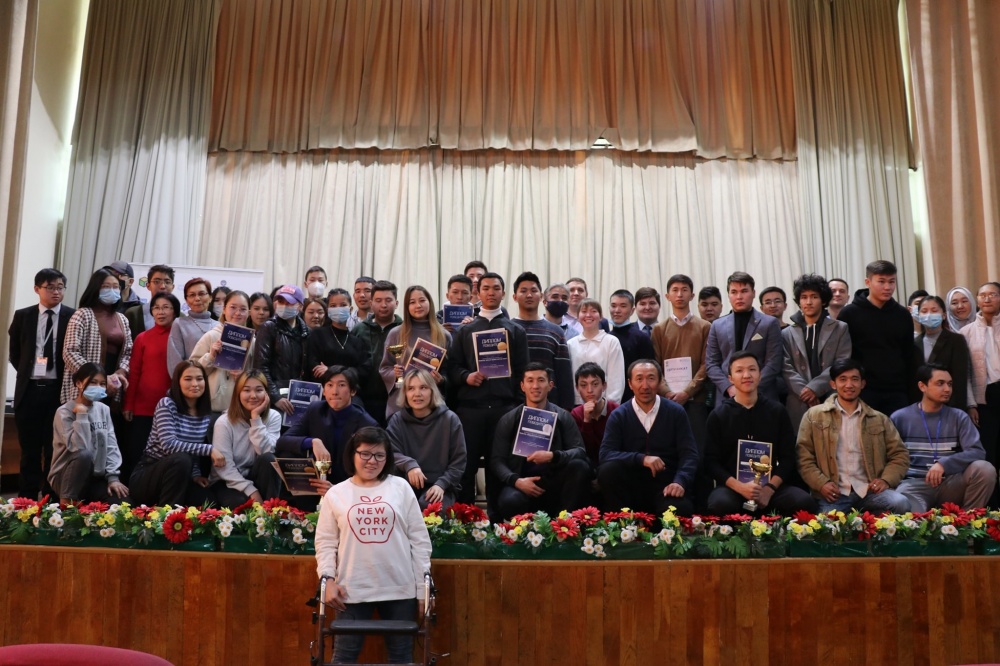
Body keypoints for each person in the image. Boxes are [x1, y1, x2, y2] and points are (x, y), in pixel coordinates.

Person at [315, 427, 432, 664]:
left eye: (379, 455)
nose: (372, 461)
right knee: (344, 657)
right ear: (353, 455)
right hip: (351, 589)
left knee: (401, 658)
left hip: (400, 588)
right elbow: (326, 542)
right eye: (365, 454)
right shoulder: (336, 493)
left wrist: (423, 590)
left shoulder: (401, 487)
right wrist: (327, 580)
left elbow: (419, 541)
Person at [447, 272, 530, 505]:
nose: (491, 292)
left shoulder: (515, 330)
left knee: (499, 466)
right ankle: (464, 518)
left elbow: (523, 373)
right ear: (478, 293)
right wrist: (466, 377)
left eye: (496, 288)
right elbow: (452, 367)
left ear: (503, 293)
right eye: (486, 288)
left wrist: (517, 407)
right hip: (470, 409)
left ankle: (497, 519)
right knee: (466, 466)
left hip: (504, 410)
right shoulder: (465, 330)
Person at [704, 352, 818, 515]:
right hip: (733, 488)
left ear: (760, 375)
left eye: (752, 369)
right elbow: (711, 462)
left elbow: (788, 458)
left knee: (803, 502)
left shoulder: (777, 411)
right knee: (719, 504)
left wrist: (769, 489)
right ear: (730, 378)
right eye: (739, 371)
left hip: (770, 487)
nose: (746, 375)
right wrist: (741, 488)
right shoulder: (719, 415)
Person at [797, 359, 911, 513]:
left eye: (854, 379)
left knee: (900, 503)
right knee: (828, 524)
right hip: (834, 495)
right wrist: (821, 484)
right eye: (843, 379)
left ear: (862, 384)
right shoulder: (814, 415)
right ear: (833, 384)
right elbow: (803, 456)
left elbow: (900, 454)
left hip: (870, 492)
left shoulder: (879, 418)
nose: (849, 385)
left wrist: (886, 480)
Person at [491, 363, 593, 519]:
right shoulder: (509, 419)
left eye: (540, 380)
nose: (535, 386)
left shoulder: (563, 416)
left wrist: (553, 456)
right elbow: (497, 460)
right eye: (530, 380)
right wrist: (517, 481)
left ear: (550, 385)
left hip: (553, 481)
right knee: (509, 502)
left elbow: (579, 451)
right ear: (522, 386)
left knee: (580, 466)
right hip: (522, 483)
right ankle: (524, 526)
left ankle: (562, 523)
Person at [597, 360, 699, 515]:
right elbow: (605, 454)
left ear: (659, 382)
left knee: (679, 510)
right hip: (630, 486)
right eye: (639, 379)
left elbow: (689, 454)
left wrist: (680, 481)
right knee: (608, 470)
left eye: (651, 378)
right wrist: (642, 459)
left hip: (666, 486)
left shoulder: (676, 412)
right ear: (630, 384)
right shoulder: (619, 415)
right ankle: (621, 525)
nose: (645, 386)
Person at [890, 364, 996, 512]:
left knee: (985, 469)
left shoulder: (959, 417)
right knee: (912, 519)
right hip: (914, 485)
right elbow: (889, 456)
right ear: (922, 386)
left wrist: (944, 464)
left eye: (950, 384)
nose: (947, 389)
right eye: (940, 383)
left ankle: (968, 520)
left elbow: (977, 452)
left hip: (950, 484)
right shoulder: (900, 417)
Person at [8, 268, 75, 499]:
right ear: (37, 289)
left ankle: (50, 498)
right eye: (50, 287)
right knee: (29, 450)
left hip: (58, 391)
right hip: (30, 391)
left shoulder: (72, 316)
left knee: (54, 448)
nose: (56, 292)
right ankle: (25, 499)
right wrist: (30, 373)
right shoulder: (23, 316)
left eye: (60, 287)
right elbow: (15, 354)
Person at [651, 274, 712, 505]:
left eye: (684, 289)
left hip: (696, 401)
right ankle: (673, 503)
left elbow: (707, 364)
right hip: (667, 402)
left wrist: (688, 392)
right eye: (675, 290)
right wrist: (667, 392)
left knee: (698, 451)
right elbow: (655, 366)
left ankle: (702, 508)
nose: (679, 294)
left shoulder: (705, 327)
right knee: (670, 451)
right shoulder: (659, 329)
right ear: (667, 296)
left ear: (692, 295)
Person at [129, 361, 214, 506]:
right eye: (188, 379)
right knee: (181, 459)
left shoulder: (205, 414)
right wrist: (210, 450)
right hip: (149, 473)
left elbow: (193, 450)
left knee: (208, 501)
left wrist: (195, 475)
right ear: (177, 382)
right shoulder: (167, 404)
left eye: (199, 379)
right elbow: (169, 446)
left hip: (182, 474)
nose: (195, 384)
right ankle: (167, 516)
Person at [837, 260, 915, 415]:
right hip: (863, 389)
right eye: (881, 281)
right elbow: (843, 356)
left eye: (892, 282)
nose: (887, 287)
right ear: (868, 282)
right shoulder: (849, 314)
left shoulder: (902, 315)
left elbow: (909, 355)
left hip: (896, 390)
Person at [277, 366, 378, 485]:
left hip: (349, 485)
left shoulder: (367, 424)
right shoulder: (315, 410)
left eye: (341, 385)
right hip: (318, 481)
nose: (335, 392)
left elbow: (370, 467)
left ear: (353, 391)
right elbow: (282, 441)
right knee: (286, 454)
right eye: (330, 385)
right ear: (324, 391)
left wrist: (335, 489)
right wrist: (313, 442)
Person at [386, 369, 467, 509]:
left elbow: (458, 461)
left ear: (432, 391)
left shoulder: (450, 419)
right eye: (411, 388)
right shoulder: (397, 420)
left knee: (429, 509)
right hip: (405, 484)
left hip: (441, 485)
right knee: (394, 508)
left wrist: (442, 484)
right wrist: (409, 464)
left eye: (423, 387)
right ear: (405, 393)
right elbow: (390, 452)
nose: (417, 394)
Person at [49, 363, 128, 503]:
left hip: (95, 477)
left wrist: (113, 478)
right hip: (67, 477)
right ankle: (66, 503)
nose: (98, 387)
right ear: (79, 383)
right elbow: (79, 447)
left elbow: (111, 444)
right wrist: (81, 415)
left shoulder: (103, 409)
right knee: (84, 455)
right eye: (93, 382)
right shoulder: (64, 412)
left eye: (102, 384)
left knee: (123, 503)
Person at [122, 292, 181, 480]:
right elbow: (134, 372)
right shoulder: (143, 338)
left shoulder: (179, 337)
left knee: (167, 456)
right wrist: (129, 404)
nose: (160, 312)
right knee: (137, 453)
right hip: (144, 406)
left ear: (175, 311)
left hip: (173, 407)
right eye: (156, 308)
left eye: (166, 308)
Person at [782, 273, 852, 429]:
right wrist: (805, 392)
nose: (808, 302)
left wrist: (814, 388)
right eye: (804, 297)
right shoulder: (787, 333)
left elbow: (841, 363)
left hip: (830, 396)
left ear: (823, 300)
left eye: (814, 297)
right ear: (798, 301)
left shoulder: (840, 328)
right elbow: (786, 367)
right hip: (798, 400)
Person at [705, 271, 783, 405]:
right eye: (734, 292)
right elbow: (711, 364)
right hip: (727, 397)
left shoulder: (769, 323)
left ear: (753, 293)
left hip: (762, 396)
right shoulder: (717, 325)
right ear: (728, 295)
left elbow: (773, 362)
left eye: (744, 291)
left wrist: (750, 388)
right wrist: (729, 387)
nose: (739, 297)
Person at [208, 370, 283, 508]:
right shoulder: (224, 422)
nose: (253, 396)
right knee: (242, 505)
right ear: (238, 394)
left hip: (256, 475)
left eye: (259, 390)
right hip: (227, 480)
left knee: (269, 459)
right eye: (246, 390)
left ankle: (271, 514)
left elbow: (267, 451)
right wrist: (251, 491)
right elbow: (224, 467)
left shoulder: (274, 417)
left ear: (266, 393)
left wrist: (256, 418)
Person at [61, 268, 133, 409]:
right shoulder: (82, 314)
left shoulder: (122, 319)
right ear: (95, 289)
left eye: (115, 287)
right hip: (87, 384)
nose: (112, 290)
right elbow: (70, 352)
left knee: (106, 419)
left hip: (114, 384)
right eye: (106, 286)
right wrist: (97, 377)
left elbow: (128, 352)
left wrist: (120, 372)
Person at [379, 285, 452, 421]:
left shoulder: (444, 335)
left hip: (432, 404)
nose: (418, 305)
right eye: (412, 302)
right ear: (407, 307)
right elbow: (385, 368)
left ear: (430, 302)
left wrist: (441, 380)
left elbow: (450, 372)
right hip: (401, 404)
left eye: (422, 300)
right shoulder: (396, 334)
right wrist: (395, 373)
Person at [959, 281, 1000, 506]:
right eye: (982, 295)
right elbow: (964, 373)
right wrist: (971, 403)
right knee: (989, 452)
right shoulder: (966, 332)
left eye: (993, 294)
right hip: (984, 398)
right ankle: (993, 508)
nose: (987, 299)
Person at [511, 272, 575, 410]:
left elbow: (564, 376)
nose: (529, 295)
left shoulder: (556, 332)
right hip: (513, 406)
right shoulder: (507, 330)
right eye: (523, 291)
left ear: (541, 297)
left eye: (533, 291)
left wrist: (566, 410)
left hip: (549, 407)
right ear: (514, 297)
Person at [191, 290, 255, 413]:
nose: (237, 313)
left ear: (249, 313)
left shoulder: (253, 342)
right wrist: (210, 357)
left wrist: (244, 376)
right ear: (224, 309)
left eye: (243, 309)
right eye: (233, 307)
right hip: (213, 407)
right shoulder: (211, 336)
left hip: (242, 409)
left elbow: (257, 374)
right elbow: (192, 371)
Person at [305, 288, 372, 402]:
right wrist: (348, 371)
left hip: (350, 397)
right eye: (333, 305)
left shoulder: (357, 341)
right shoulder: (317, 335)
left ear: (350, 309)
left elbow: (363, 371)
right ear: (328, 310)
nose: (338, 308)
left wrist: (330, 370)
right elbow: (314, 367)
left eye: (343, 305)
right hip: (322, 396)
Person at [351, 280, 402, 426]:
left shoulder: (404, 329)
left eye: (388, 300)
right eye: (378, 301)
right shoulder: (359, 330)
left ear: (396, 303)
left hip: (396, 399)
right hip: (364, 399)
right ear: (371, 303)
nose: (383, 305)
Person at [254, 284, 309, 418]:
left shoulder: (306, 332)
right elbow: (261, 367)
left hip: (299, 396)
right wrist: (275, 397)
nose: (283, 306)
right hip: (275, 398)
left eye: (289, 303)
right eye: (280, 301)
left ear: (300, 306)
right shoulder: (269, 327)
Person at [914, 295, 974, 411]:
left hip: (949, 405)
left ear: (944, 315)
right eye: (924, 311)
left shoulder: (956, 340)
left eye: (934, 311)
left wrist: (957, 409)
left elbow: (960, 378)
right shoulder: (915, 343)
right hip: (922, 406)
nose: (929, 315)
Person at [568, 298, 626, 404]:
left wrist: (609, 406)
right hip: (577, 405)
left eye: (593, 311)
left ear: (601, 316)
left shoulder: (611, 341)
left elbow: (616, 379)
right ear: (578, 317)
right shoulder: (571, 344)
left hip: (604, 405)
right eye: (584, 311)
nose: (588, 315)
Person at [608, 289, 655, 402]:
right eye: (613, 306)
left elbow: (649, 371)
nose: (617, 310)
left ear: (632, 310)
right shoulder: (606, 338)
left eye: (623, 306)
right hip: (609, 398)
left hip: (635, 398)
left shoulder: (641, 338)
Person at [570, 362, 619, 467]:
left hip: (612, 464)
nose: (590, 390)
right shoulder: (575, 414)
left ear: (604, 386)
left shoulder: (616, 411)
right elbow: (582, 451)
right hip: (587, 465)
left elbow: (617, 448)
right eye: (583, 385)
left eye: (595, 384)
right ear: (577, 388)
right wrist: (587, 420)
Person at [167, 277, 216, 372]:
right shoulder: (179, 324)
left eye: (201, 294)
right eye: (192, 295)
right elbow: (175, 362)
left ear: (210, 297)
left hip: (215, 380)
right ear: (186, 300)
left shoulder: (219, 326)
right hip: (190, 379)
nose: (197, 298)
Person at [124, 264, 175, 340]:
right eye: (157, 282)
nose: (162, 286)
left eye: (167, 282)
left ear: (173, 287)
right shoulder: (133, 314)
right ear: (148, 286)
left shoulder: (180, 317)